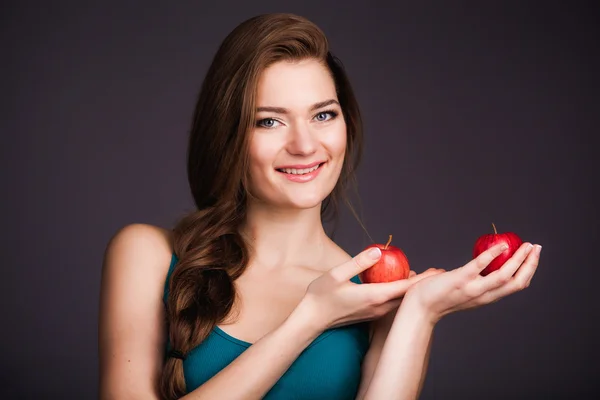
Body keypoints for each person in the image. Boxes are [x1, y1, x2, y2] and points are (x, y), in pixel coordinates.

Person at [97, 13, 541, 400]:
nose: (305, 144)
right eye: (269, 121)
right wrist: (310, 318)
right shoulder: (147, 253)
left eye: (323, 114)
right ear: (228, 134)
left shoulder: (375, 293)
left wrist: (420, 314)